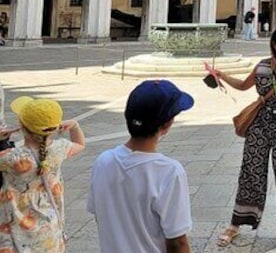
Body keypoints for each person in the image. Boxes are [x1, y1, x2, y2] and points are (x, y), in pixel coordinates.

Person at [215, 26, 276, 253]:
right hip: (259, 127)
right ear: (274, 43)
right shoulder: (262, 66)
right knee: (251, 172)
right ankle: (236, 223)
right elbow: (243, 85)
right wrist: (222, 76)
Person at [87, 80, 194, 253]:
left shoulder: (103, 161)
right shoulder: (169, 172)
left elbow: (100, 214)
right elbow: (177, 242)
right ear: (167, 124)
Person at [0, 96, 85, 252]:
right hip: (49, 229)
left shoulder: (12, 157)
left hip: (15, 231)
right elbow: (80, 144)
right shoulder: (60, 149)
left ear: (22, 127)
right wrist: (75, 126)